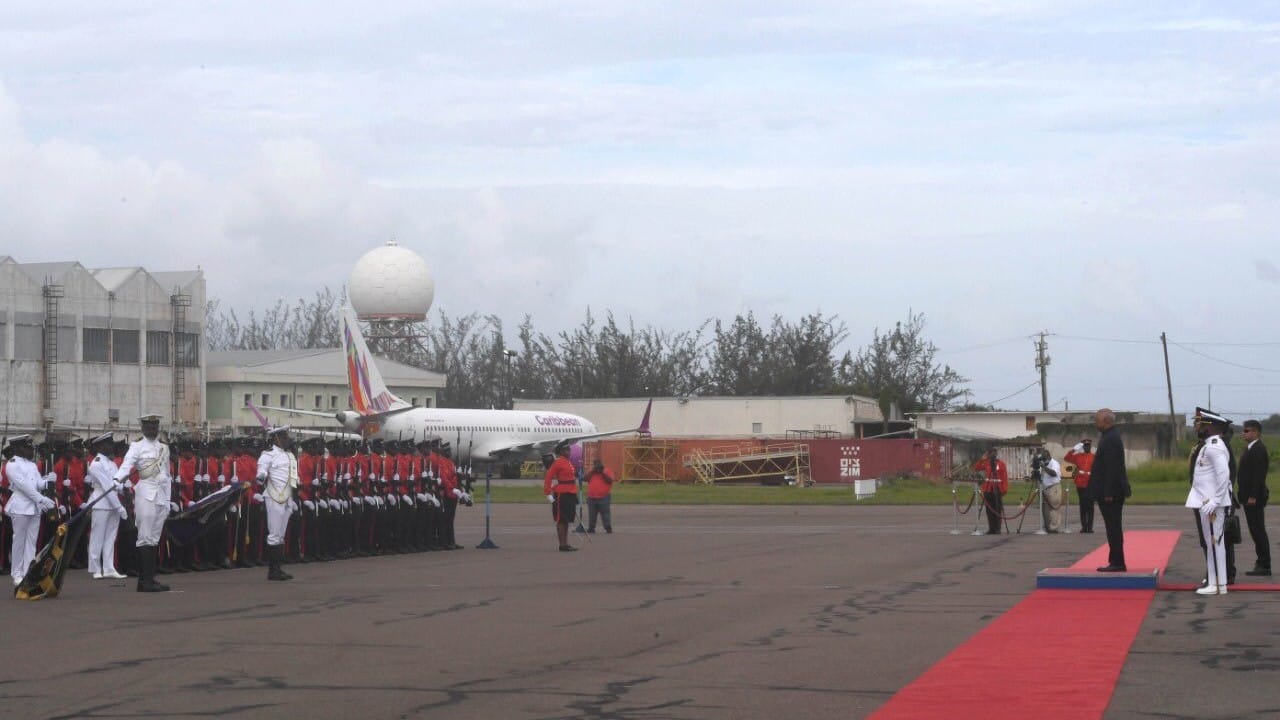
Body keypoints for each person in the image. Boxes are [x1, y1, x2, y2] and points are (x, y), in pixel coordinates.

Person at [114, 414, 173, 592]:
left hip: (161, 495)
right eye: (148, 427)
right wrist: (117, 479)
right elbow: (127, 465)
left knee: (154, 539)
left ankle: (150, 579)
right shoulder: (136, 446)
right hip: (145, 492)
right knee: (144, 537)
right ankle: (143, 581)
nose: (152, 430)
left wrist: (168, 500)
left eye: (154, 427)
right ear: (143, 428)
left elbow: (168, 475)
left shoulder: (164, 448)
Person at [1187, 408, 1233, 595]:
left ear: (1212, 426)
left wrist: (1216, 500)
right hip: (1205, 502)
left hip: (1211, 504)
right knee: (1211, 542)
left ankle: (1218, 584)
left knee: (1214, 542)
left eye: (1202, 424)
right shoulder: (1209, 445)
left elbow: (1224, 474)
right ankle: (1215, 583)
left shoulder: (1214, 446)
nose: (1198, 427)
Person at [5, 435, 56, 586]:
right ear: (17, 448)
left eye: (31, 448)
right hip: (21, 506)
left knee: (31, 542)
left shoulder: (32, 465)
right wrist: (41, 499)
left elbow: (38, 484)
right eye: (28, 448)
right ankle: (17, 574)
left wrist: (48, 481)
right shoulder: (12, 464)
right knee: (19, 541)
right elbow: (24, 487)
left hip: (34, 508)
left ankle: (28, 570)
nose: (31, 451)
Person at [1089, 408, 1131, 572]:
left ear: (1106, 421)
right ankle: (1115, 560)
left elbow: (1113, 468)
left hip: (1111, 493)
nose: (1095, 423)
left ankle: (1118, 562)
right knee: (1111, 527)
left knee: (1113, 527)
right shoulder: (1108, 436)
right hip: (1108, 490)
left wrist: (1108, 492)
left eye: (1097, 420)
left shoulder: (1111, 438)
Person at [255, 426, 299, 581]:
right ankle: (273, 570)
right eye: (285, 437)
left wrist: (293, 499)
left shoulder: (289, 456)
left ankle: (278, 568)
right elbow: (261, 471)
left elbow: (292, 478)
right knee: (274, 534)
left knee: (281, 535)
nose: (288, 440)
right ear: (277, 439)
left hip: (287, 497)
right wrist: (262, 475)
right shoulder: (268, 455)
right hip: (273, 496)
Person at [86, 432, 129, 579]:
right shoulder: (96, 464)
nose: (111, 446)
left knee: (111, 537)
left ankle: (109, 567)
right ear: (100, 446)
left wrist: (123, 486)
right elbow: (107, 487)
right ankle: (95, 568)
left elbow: (116, 484)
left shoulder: (111, 463)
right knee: (97, 537)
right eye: (108, 444)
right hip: (101, 502)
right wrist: (119, 507)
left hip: (113, 502)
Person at [1238, 419, 1270, 576]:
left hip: (1254, 498)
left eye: (1246, 430)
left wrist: (1252, 496)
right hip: (1248, 497)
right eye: (1243, 430)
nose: (1243, 433)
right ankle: (1261, 562)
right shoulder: (1251, 448)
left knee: (1258, 530)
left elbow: (1258, 476)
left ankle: (1264, 564)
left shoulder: (1258, 449)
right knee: (1255, 530)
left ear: (1256, 432)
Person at [544, 443, 579, 551]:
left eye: (569, 449)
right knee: (561, 519)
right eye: (566, 450)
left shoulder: (569, 462)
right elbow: (548, 477)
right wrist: (548, 493)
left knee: (567, 519)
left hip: (571, 493)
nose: (569, 452)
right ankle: (562, 545)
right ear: (561, 452)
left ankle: (566, 543)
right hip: (562, 494)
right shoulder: (557, 462)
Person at [973, 447, 1008, 535]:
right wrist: (982, 459)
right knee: (989, 510)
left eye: (993, 453)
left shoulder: (1001, 464)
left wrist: (1004, 489)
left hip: (998, 489)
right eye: (990, 453)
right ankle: (991, 528)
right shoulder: (986, 463)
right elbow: (976, 468)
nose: (992, 455)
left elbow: (1004, 477)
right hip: (988, 489)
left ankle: (997, 528)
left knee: (997, 509)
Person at [1064, 439, 1095, 533]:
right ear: (1083, 447)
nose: (1087, 447)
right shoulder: (1078, 456)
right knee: (1082, 505)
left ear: (1090, 447)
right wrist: (1074, 449)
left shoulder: (1094, 457)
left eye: (1088, 446)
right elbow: (1067, 458)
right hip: (1080, 483)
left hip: (1090, 483)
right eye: (1085, 446)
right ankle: (1084, 527)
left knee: (1090, 506)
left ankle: (1089, 527)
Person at [1035, 448, 1064, 533]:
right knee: (1045, 509)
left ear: (1048, 456)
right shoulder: (1044, 464)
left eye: (1043, 458)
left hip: (1054, 487)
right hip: (1045, 488)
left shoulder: (1054, 463)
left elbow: (1054, 473)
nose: (1043, 460)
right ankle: (1048, 526)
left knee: (1053, 508)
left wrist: (1044, 467)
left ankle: (1054, 527)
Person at [585, 459, 615, 533]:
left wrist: (602, 473)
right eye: (595, 465)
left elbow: (610, 481)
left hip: (604, 496)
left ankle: (608, 527)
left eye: (598, 465)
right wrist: (593, 471)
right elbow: (585, 478)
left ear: (601, 464)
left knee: (605, 513)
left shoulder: (607, 471)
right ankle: (591, 528)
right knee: (592, 514)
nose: (597, 467)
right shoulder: (591, 472)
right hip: (592, 497)